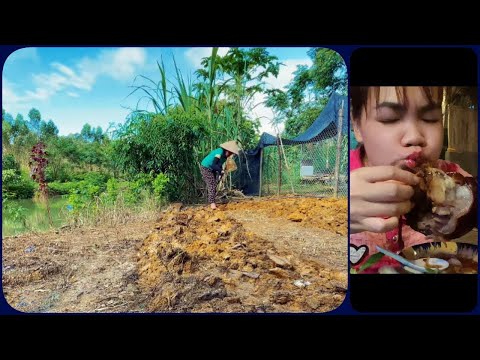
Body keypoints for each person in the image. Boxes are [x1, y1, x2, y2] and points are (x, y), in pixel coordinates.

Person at [349, 86, 474, 271]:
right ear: (357, 125)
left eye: (430, 118)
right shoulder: (339, 185)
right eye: (389, 118)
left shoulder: (454, 181)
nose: (415, 137)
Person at [200, 140, 239, 210]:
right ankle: (212, 203)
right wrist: (221, 170)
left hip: (212, 168)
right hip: (206, 167)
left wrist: (220, 172)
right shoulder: (219, 152)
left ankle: (212, 202)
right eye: (230, 153)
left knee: (214, 184)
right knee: (212, 185)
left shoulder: (225, 156)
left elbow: (219, 164)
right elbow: (213, 164)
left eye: (231, 153)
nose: (230, 155)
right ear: (227, 150)